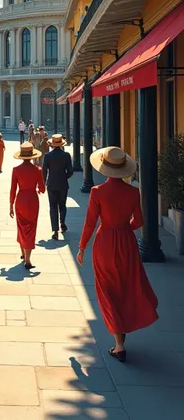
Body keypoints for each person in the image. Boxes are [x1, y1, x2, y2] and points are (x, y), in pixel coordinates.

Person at [77, 146, 159, 363]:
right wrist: (124, 227)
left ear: (104, 168)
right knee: (126, 285)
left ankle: (118, 344)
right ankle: (121, 332)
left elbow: (90, 223)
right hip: (127, 243)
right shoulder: (133, 192)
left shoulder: (97, 192)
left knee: (106, 289)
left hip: (104, 243)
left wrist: (82, 246)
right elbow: (139, 222)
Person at [10, 141, 45, 269]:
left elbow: (13, 189)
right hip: (32, 200)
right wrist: (37, 189)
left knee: (21, 226)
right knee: (31, 227)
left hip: (20, 199)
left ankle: (22, 253)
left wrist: (10, 205)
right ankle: (28, 260)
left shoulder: (16, 170)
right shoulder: (37, 170)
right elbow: (42, 189)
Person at [42, 134, 73, 240]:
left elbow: (44, 171)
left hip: (51, 184)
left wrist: (44, 182)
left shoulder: (47, 156)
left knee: (53, 207)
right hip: (63, 184)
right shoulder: (66, 155)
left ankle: (55, 230)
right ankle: (63, 223)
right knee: (62, 205)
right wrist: (64, 177)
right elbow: (70, 171)